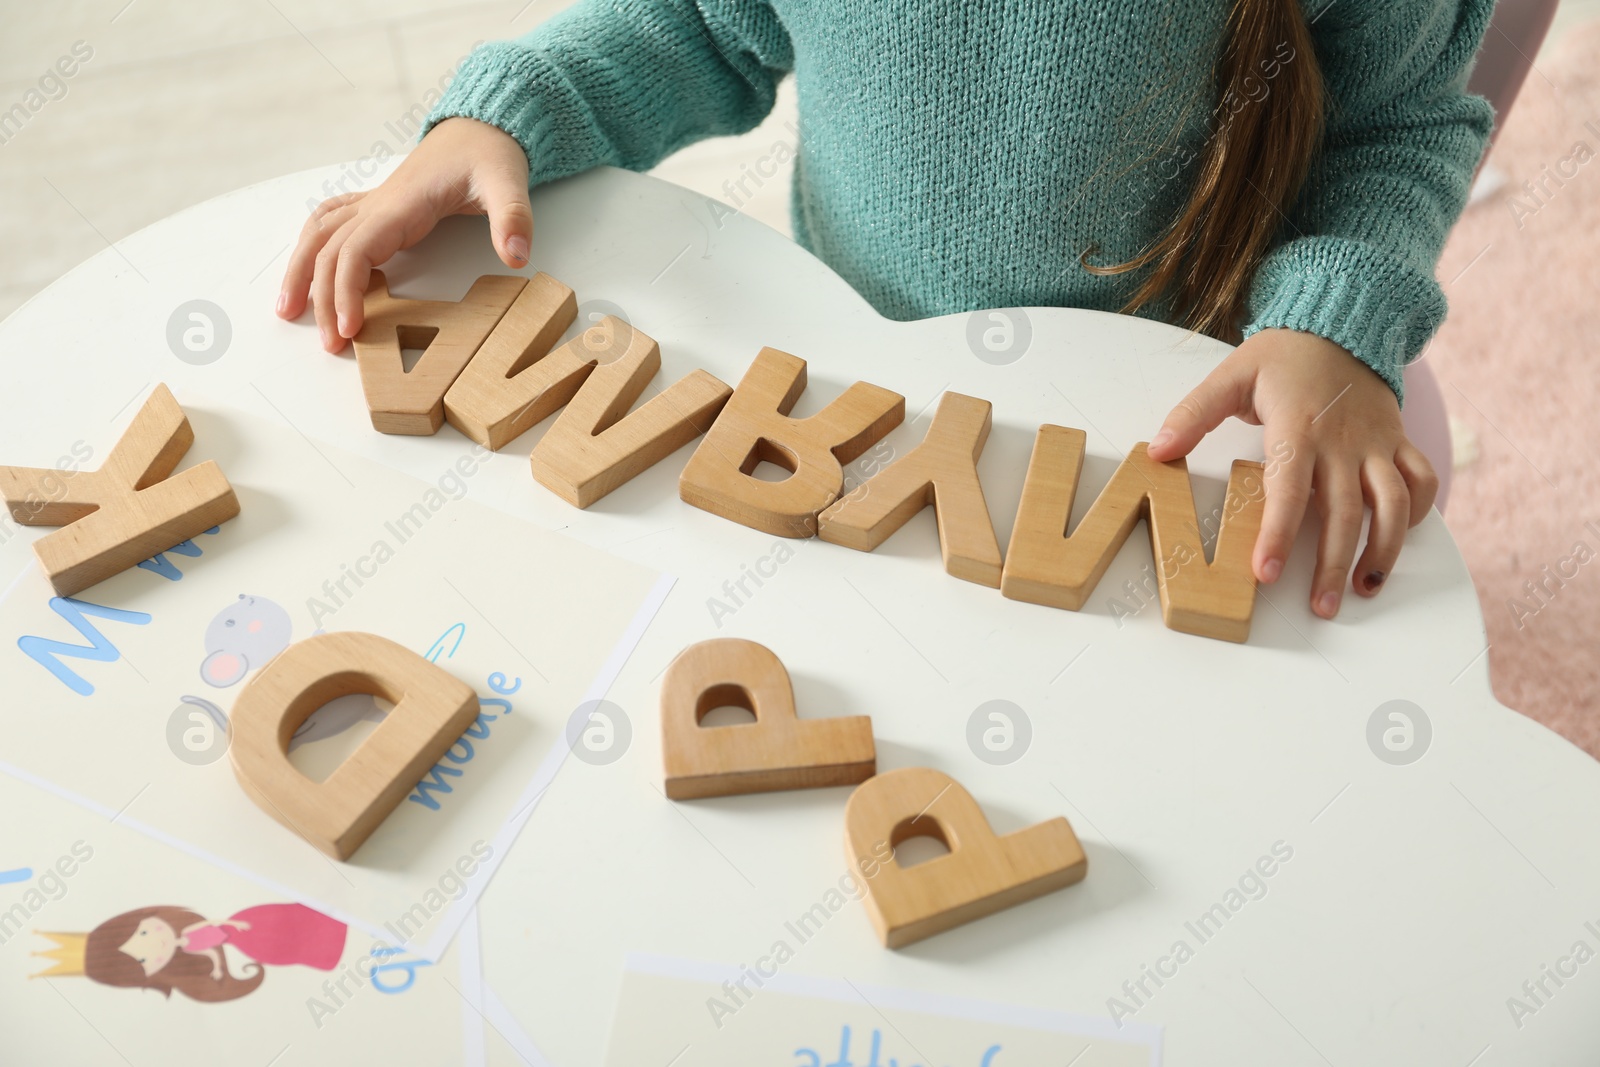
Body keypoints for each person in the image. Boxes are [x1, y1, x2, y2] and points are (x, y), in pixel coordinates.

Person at [277, 0, 1494, 619]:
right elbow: (699, 26)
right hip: (875, 386)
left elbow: (1400, 122)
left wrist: (1338, 324)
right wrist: (509, 109)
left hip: (1197, 402)